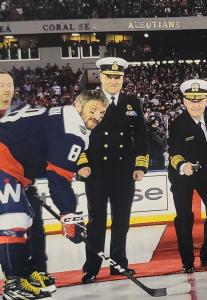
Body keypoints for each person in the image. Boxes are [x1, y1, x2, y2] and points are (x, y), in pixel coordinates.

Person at [0, 90, 108, 299]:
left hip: (12, 166)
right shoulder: (72, 129)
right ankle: (13, 283)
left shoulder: (63, 117)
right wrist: (69, 214)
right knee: (14, 218)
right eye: (92, 110)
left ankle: (23, 274)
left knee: (26, 218)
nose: (97, 116)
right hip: (5, 163)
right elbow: (57, 179)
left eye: (102, 113)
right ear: (79, 106)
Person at [77, 57, 149, 284]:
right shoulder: (88, 100)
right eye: (110, 77)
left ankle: (119, 264)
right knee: (96, 221)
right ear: (101, 77)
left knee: (121, 220)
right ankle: (91, 267)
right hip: (96, 172)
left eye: (119, 77)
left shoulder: (131, 102)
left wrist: (140, 165)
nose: (115, 81)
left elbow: (141, 136)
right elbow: (76, 133)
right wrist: (82, 163)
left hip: (123, 172)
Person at [0, 70, 55, 294]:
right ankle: (13, 282)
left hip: (22, 179)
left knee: (29, 224)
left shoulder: (25, 111)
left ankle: (24, 274)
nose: (6, 88)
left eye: (10, 84)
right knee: (12, 223)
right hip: (3, 178)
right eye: (1, 84)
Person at [168, 78, 207, 273]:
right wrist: (183, 166)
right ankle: (187, 262)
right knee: (184, 217)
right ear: (184, 102)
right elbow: (173, 152)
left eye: (200, 100)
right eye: (191, 100)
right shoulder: (177, 124)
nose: (196, 104)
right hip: (183, 173)